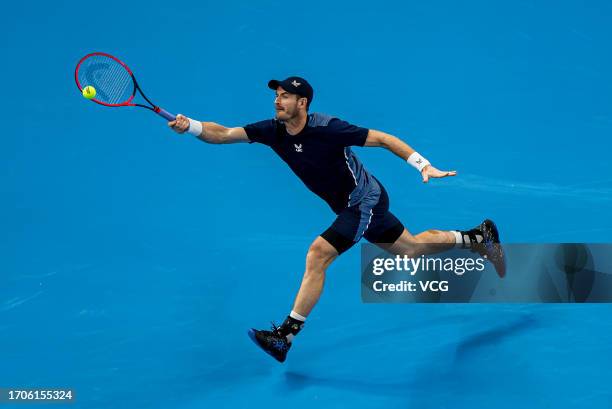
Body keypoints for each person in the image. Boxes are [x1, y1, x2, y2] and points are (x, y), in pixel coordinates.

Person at [168, 76, 505, 363]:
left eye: (285, 96)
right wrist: (192, 127)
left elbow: (383, 139)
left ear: (303, 103)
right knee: (411, 249)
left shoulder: (328, 129)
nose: (277, 101)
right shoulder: (273, 131)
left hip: (362, 201)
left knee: (318, 254)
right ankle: (478, 237)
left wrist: (422, 164)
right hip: (350, 205)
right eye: (276, 95)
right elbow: (224, 133)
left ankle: (285, 335)